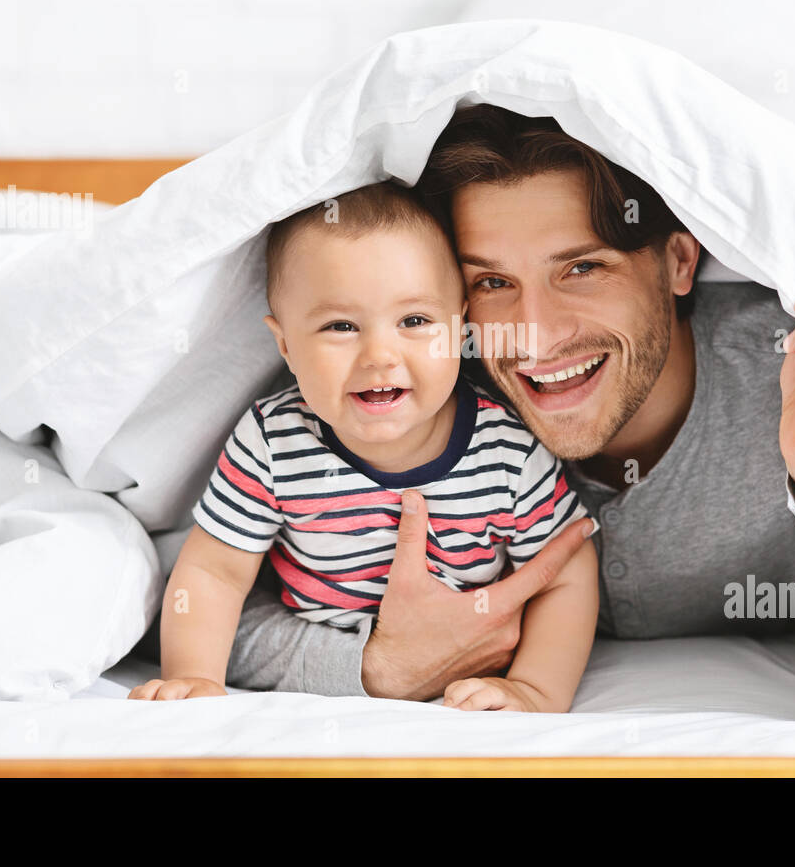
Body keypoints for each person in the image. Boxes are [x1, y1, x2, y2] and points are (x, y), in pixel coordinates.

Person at [224, 106, 795, 731]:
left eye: (582, 267)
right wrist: (376, 669)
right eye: (492, 281)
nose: (536, 335)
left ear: (679, 261)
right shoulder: (419, 390)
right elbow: (207, 606)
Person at [128, 180, 601, 712]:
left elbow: (568, 572)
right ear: (285, 344)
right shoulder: (273, 441)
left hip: (470, 682)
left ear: (461, 324)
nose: (380, 355)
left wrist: (535, 688)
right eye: (341, 325)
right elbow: (214, 572)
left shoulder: (505, 450)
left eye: (414, 321)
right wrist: (195, 677)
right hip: (331, 675)